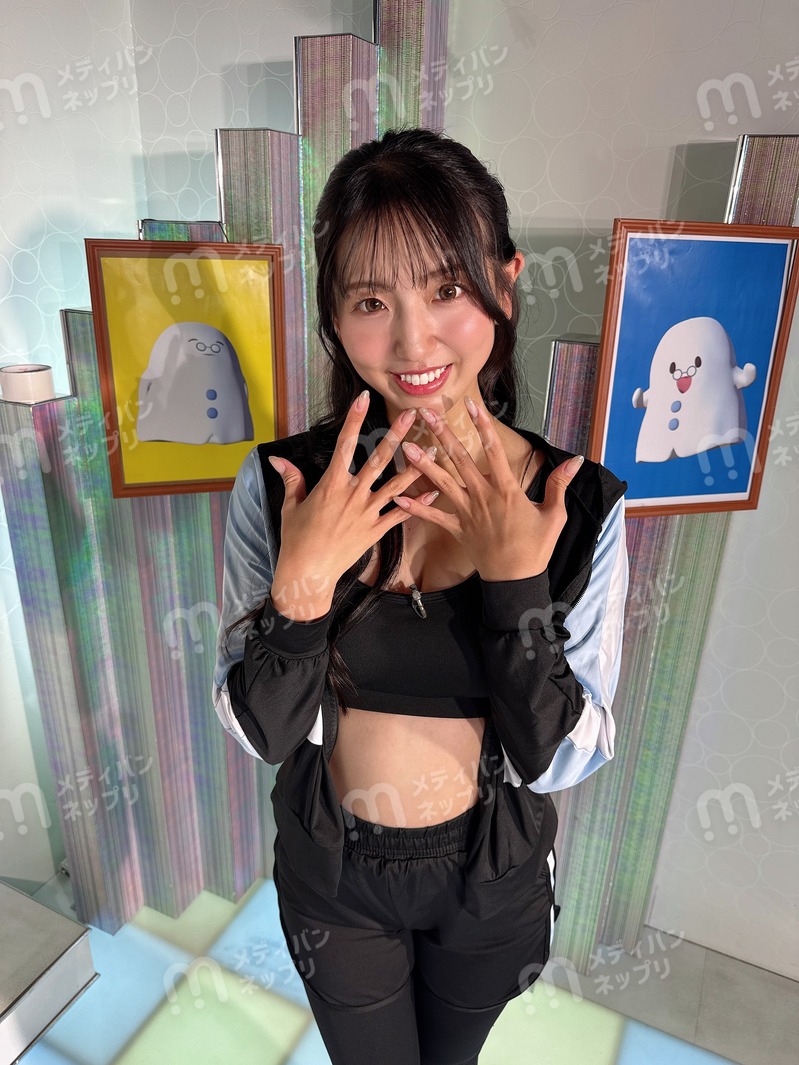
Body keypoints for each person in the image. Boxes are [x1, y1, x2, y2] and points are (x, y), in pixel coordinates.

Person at [212, 127, 628, 1065]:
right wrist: (302, 592)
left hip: (490, 879)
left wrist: (516, 587)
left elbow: (564, 756)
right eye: (370, 301)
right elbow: (259, 731)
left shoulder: (576, 505)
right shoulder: (282, 487)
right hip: (334, 879)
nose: (411, 341)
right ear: (333, 316)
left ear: (504, 283)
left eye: (446, 289)